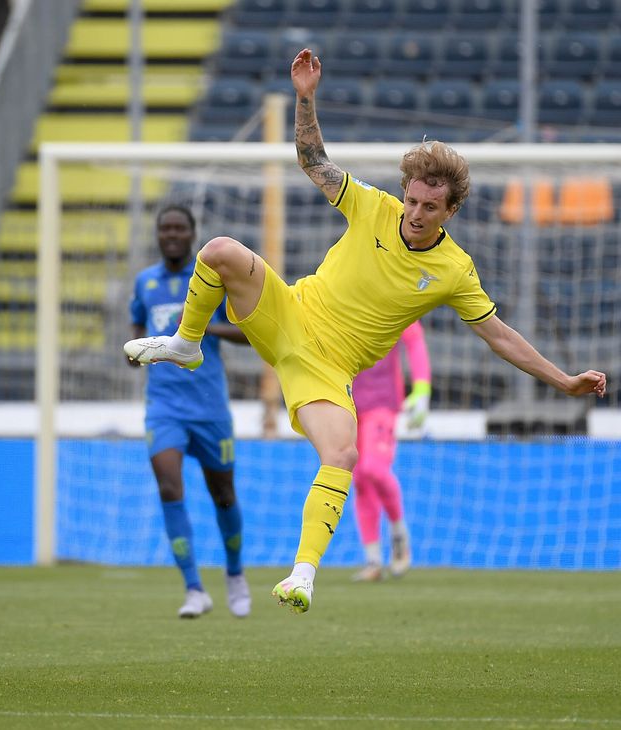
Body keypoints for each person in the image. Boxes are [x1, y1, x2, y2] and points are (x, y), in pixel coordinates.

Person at [124, 48, 606, 614]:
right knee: (221, 250)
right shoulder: (372, 207)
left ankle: (302, 574)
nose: (416, 212)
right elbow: (313, 161)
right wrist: (306, 98)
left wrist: (562, 380)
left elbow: (499, 334)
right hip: (290, 313)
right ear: (403, 191)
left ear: (450, 211)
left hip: (325, 370)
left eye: (431, 206)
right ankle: (186, 342)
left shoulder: (454, 271)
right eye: (413, 199)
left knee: (344, 453)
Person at [128, 205, 252, 619]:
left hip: (209, 407)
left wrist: (197, 330)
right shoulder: (145, 282)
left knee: (223, 494)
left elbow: (249, 333)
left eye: (180, 228)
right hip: (164, 407)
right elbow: (136, 332)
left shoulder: (212, 280)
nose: (172, 235)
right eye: (166, 228)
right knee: (168, 487)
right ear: (158, 235)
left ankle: (235, 574)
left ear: (192, 233)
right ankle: (194, 588)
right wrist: (138, 352)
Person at [350, 321, 431, 582]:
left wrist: (421, 390)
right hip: (349, 402)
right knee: (360, 479)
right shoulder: (341, 293)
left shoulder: (391, 294)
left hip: (383, 403)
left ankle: (399, 533)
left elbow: (415, 339)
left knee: (372, 469)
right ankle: (373, 560)